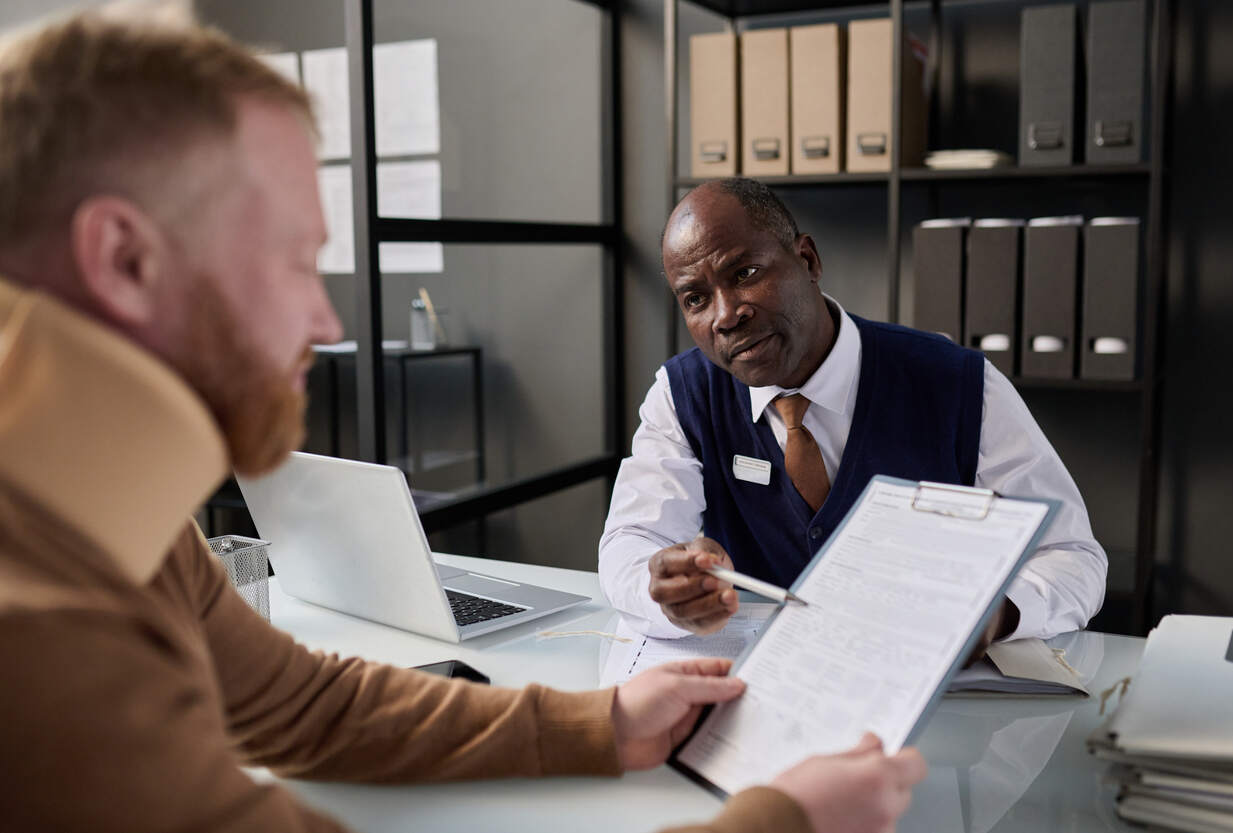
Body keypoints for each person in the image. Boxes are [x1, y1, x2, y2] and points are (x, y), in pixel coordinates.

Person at [0, 8, 926, 833]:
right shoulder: (40, 646)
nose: (324, 323)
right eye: (292, 260)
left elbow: (301, 708)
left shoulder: (107, 516)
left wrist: (596, 723)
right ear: (123, 258)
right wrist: (785, 821)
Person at [599, 178, 1107, 648]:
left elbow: (1071, 556)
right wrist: (662, 589)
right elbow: (632, 540)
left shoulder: (955, 381)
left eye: (745, 273)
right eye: (695, 299)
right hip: (756, 690)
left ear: (808, 259)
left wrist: (998, 614)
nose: (727, 315)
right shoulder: (684, 394)